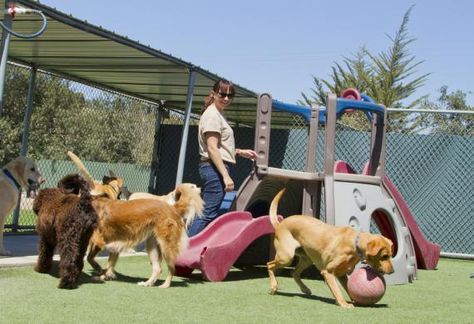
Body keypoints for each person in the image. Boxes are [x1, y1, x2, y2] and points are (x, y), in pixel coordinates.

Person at [187, 79, 257, 237]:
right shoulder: (212, 115)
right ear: (214, 93)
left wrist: (238, 152)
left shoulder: (218, 114)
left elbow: (218, 146)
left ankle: (191, 250)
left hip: (215, 167)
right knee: (207, 214)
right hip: (214, 169)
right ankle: (185, 252)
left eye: (230, 95)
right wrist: (225, 176)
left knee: (208, 213)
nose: (226, 98)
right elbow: (212, 148)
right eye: (222, 94)